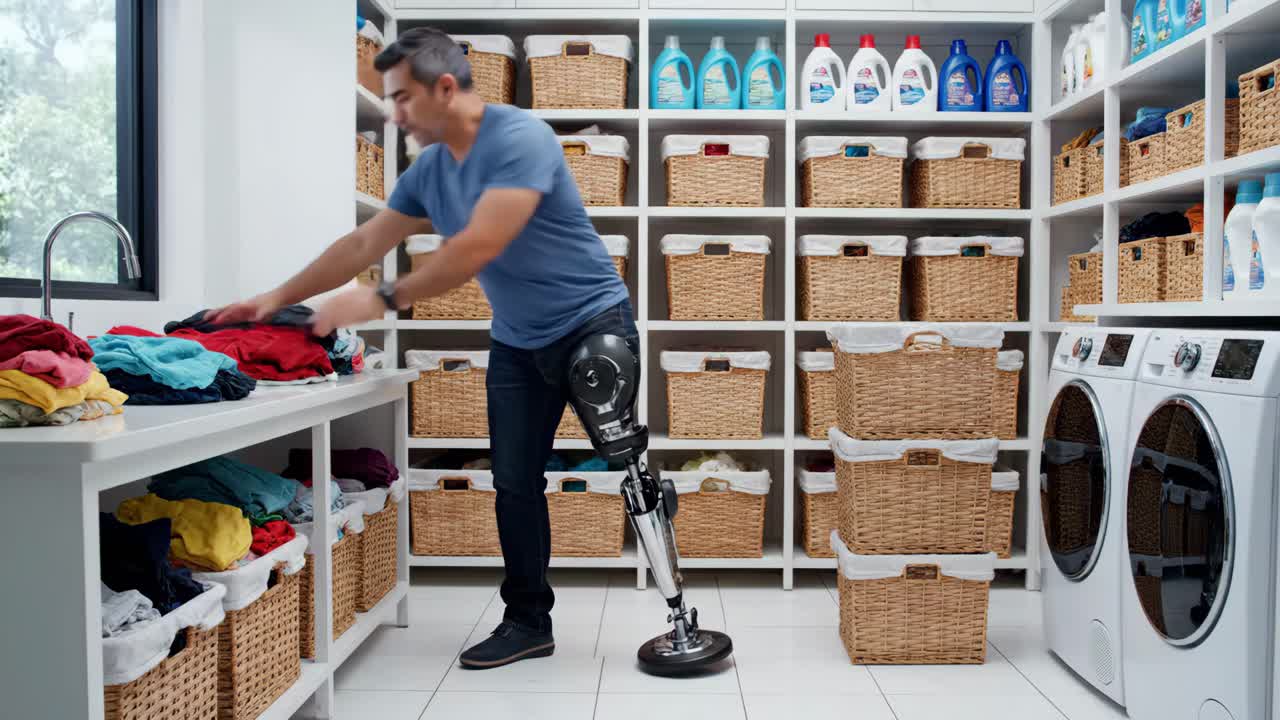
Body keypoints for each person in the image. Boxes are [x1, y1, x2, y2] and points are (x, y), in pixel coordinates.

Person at [207, 26, 634, 669]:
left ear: (443, 87)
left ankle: (667, 558)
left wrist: (379, 300)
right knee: (515, 484)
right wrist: (271, 298)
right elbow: (360, 246)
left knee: (625, 462)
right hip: (518, 343)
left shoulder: (522, 139)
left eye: (402, 98)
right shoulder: (430, 170)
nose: (394, 113)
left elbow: (476, 247)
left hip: (591, 321)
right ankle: (527, 621)